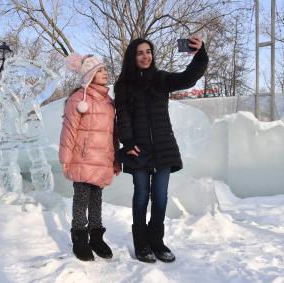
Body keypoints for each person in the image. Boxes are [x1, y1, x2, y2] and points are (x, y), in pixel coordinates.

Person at [114, 35, 208, 263]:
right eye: (140, 53)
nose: (145, 56)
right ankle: (141, 244)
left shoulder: (161, 79)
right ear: (132, 57)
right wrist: (127, 144)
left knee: (160, 197)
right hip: (138, 150)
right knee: (141, 196)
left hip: (163, 149)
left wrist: (200, 53)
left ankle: (157, 242)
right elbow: (123, 117)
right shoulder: (123, 85)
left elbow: (188, 78)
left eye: (148, 52)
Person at [59, 53, 121, 261]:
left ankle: (96, 237)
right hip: (82, 158)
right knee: (81, 200)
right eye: (101, 70)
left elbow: (113, 134)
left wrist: (115, 160)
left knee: (96, 199)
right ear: (90, 74)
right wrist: (65, 159)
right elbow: (68, 130)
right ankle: (79, 239)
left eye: (105, 70)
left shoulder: (108, 102)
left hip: (102, 160)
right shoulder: (78, 99)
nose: (105, 73)